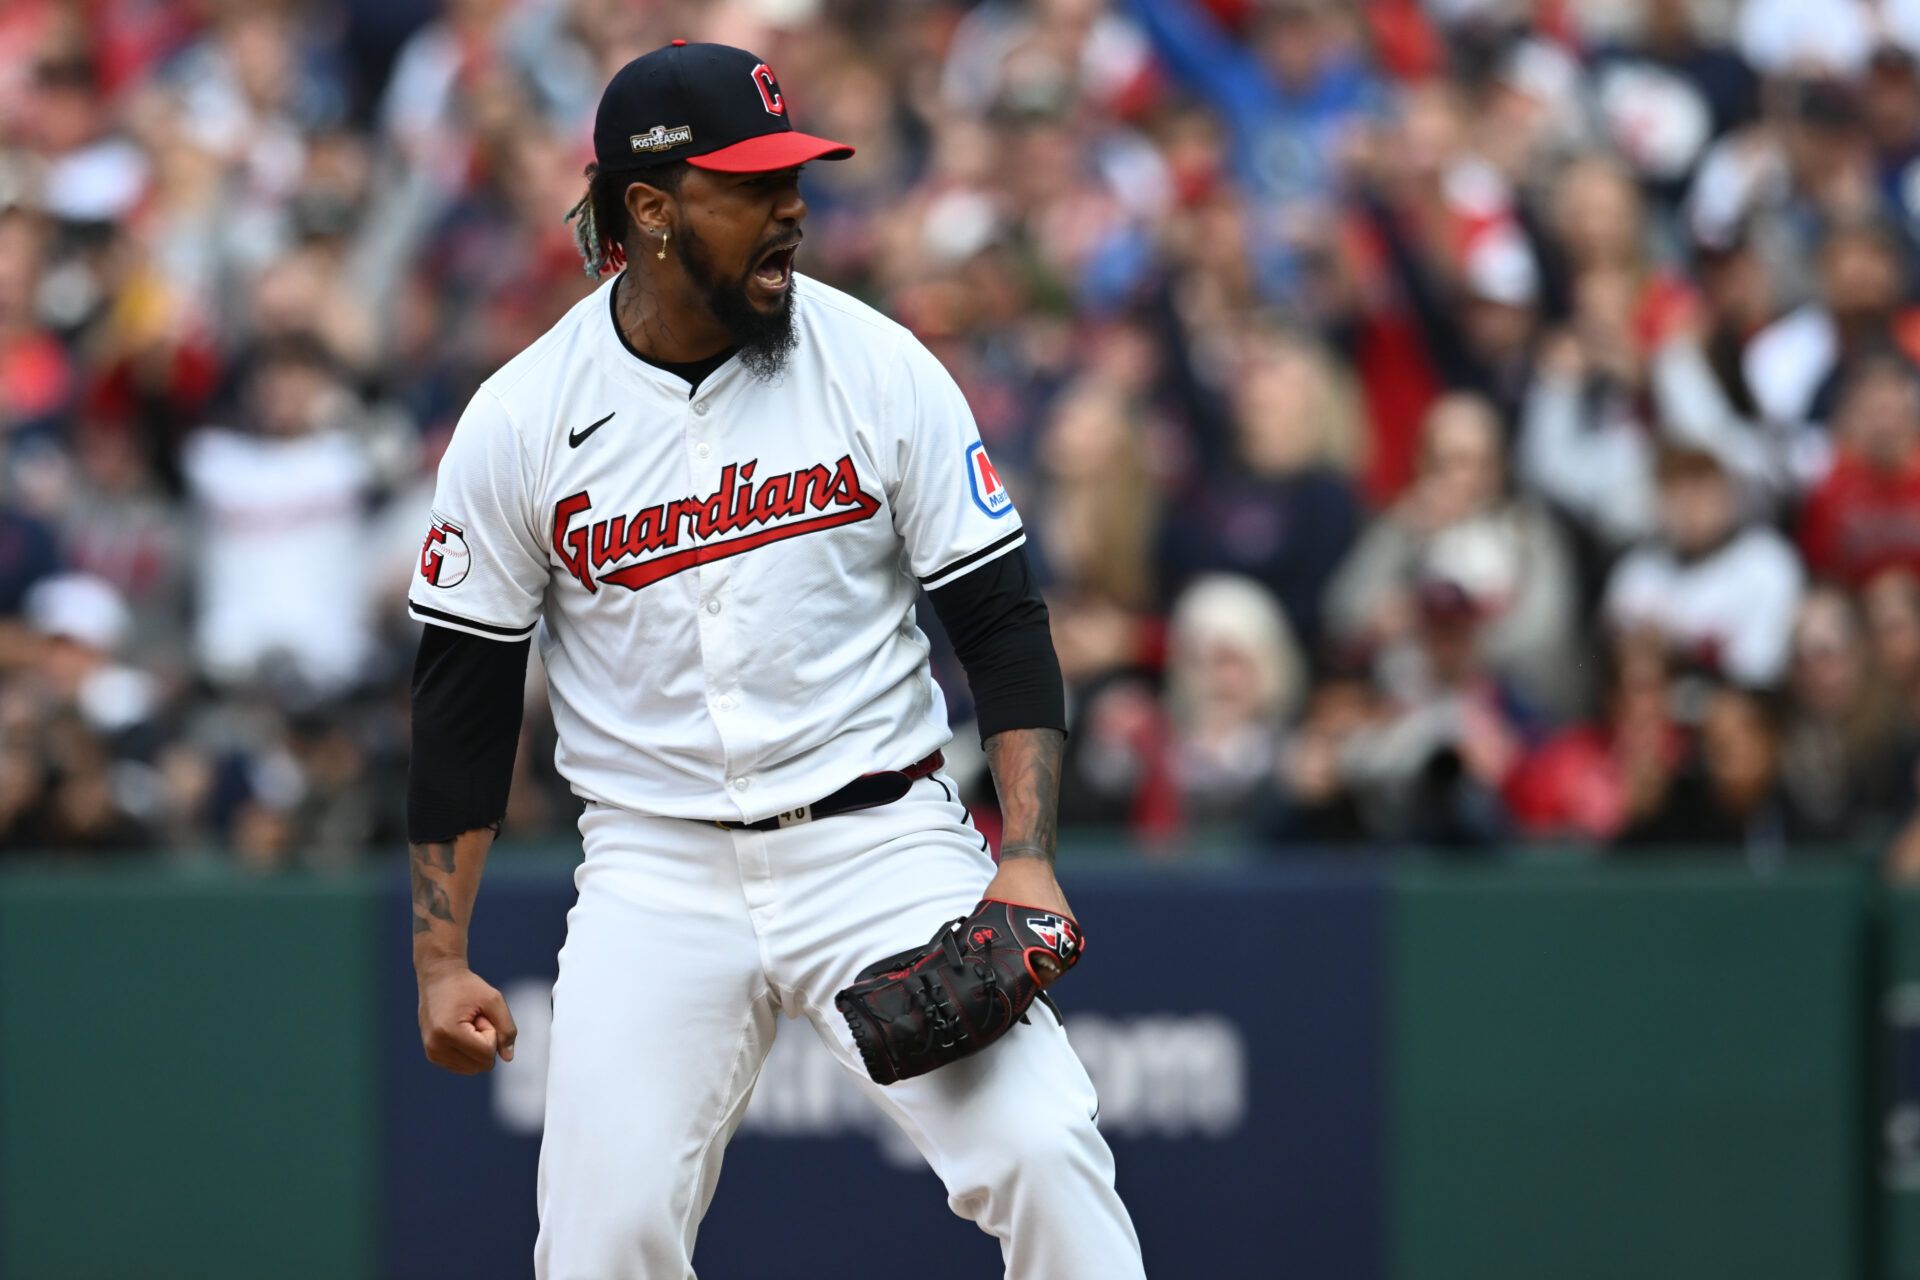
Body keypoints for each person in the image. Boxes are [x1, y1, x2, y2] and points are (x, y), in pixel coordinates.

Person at [402, 42, 1142, 1280]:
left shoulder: (876, 364)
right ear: (649, 208)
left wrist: (1024, 856)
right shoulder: (524, 417)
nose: (792, 206)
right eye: (750, 184)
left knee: (1045, 1150)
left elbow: (1004, 619)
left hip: (879, 842)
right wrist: (439, 957)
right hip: (656, 863)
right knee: (599, 1242)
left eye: (794, 176)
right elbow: (464, 696)